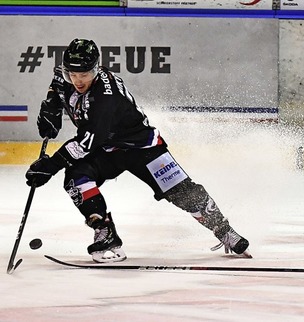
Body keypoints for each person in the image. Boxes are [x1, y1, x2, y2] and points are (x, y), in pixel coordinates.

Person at [25, 38, 250, 263]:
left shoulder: (106, 94)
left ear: (95, 69)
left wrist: (50, 166)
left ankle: (225, 231)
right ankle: (105, 232)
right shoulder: (63, 77)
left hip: (141, 146)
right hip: (107, 149)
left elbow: (86, 142)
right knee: (76, 178)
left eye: (83, 74)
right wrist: (50, 112)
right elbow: (57, 91)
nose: (77, 80)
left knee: (182, 193)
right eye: (72, 75)